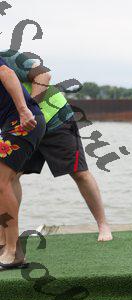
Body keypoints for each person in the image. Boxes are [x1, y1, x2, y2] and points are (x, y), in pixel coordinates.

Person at [0, 50, 112, 242]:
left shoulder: (8, 58)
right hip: (21, 127)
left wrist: (31, 109)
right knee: (9, 178)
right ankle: (8, 237)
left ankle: (103, 225)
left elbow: (44, 74)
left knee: (79, 173)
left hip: (54, 119)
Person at [0, 56, 46, 269]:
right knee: (5, 182)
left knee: (2, 182)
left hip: (23, 120)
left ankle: (13, 251)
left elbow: (7, 73)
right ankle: (4, 245)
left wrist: (23, 109)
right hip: (10, 124)